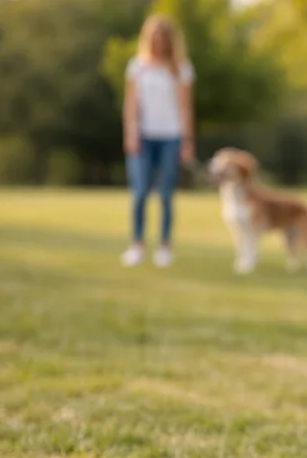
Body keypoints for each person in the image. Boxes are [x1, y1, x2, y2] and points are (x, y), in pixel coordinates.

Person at [120, 14, 196, 269]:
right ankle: (137, 245)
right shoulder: (137, 66)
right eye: (154, 37)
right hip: (143, 136)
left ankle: (164, 246)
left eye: (163, 37)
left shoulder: (181, 68)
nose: (159, 42)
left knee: (165, 194)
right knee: (140, 193)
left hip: (171, 137)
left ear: (170, 40)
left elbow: (185, 107)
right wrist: (130, 133)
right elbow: (131, 104)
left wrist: (187, 141)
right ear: (148, 39)